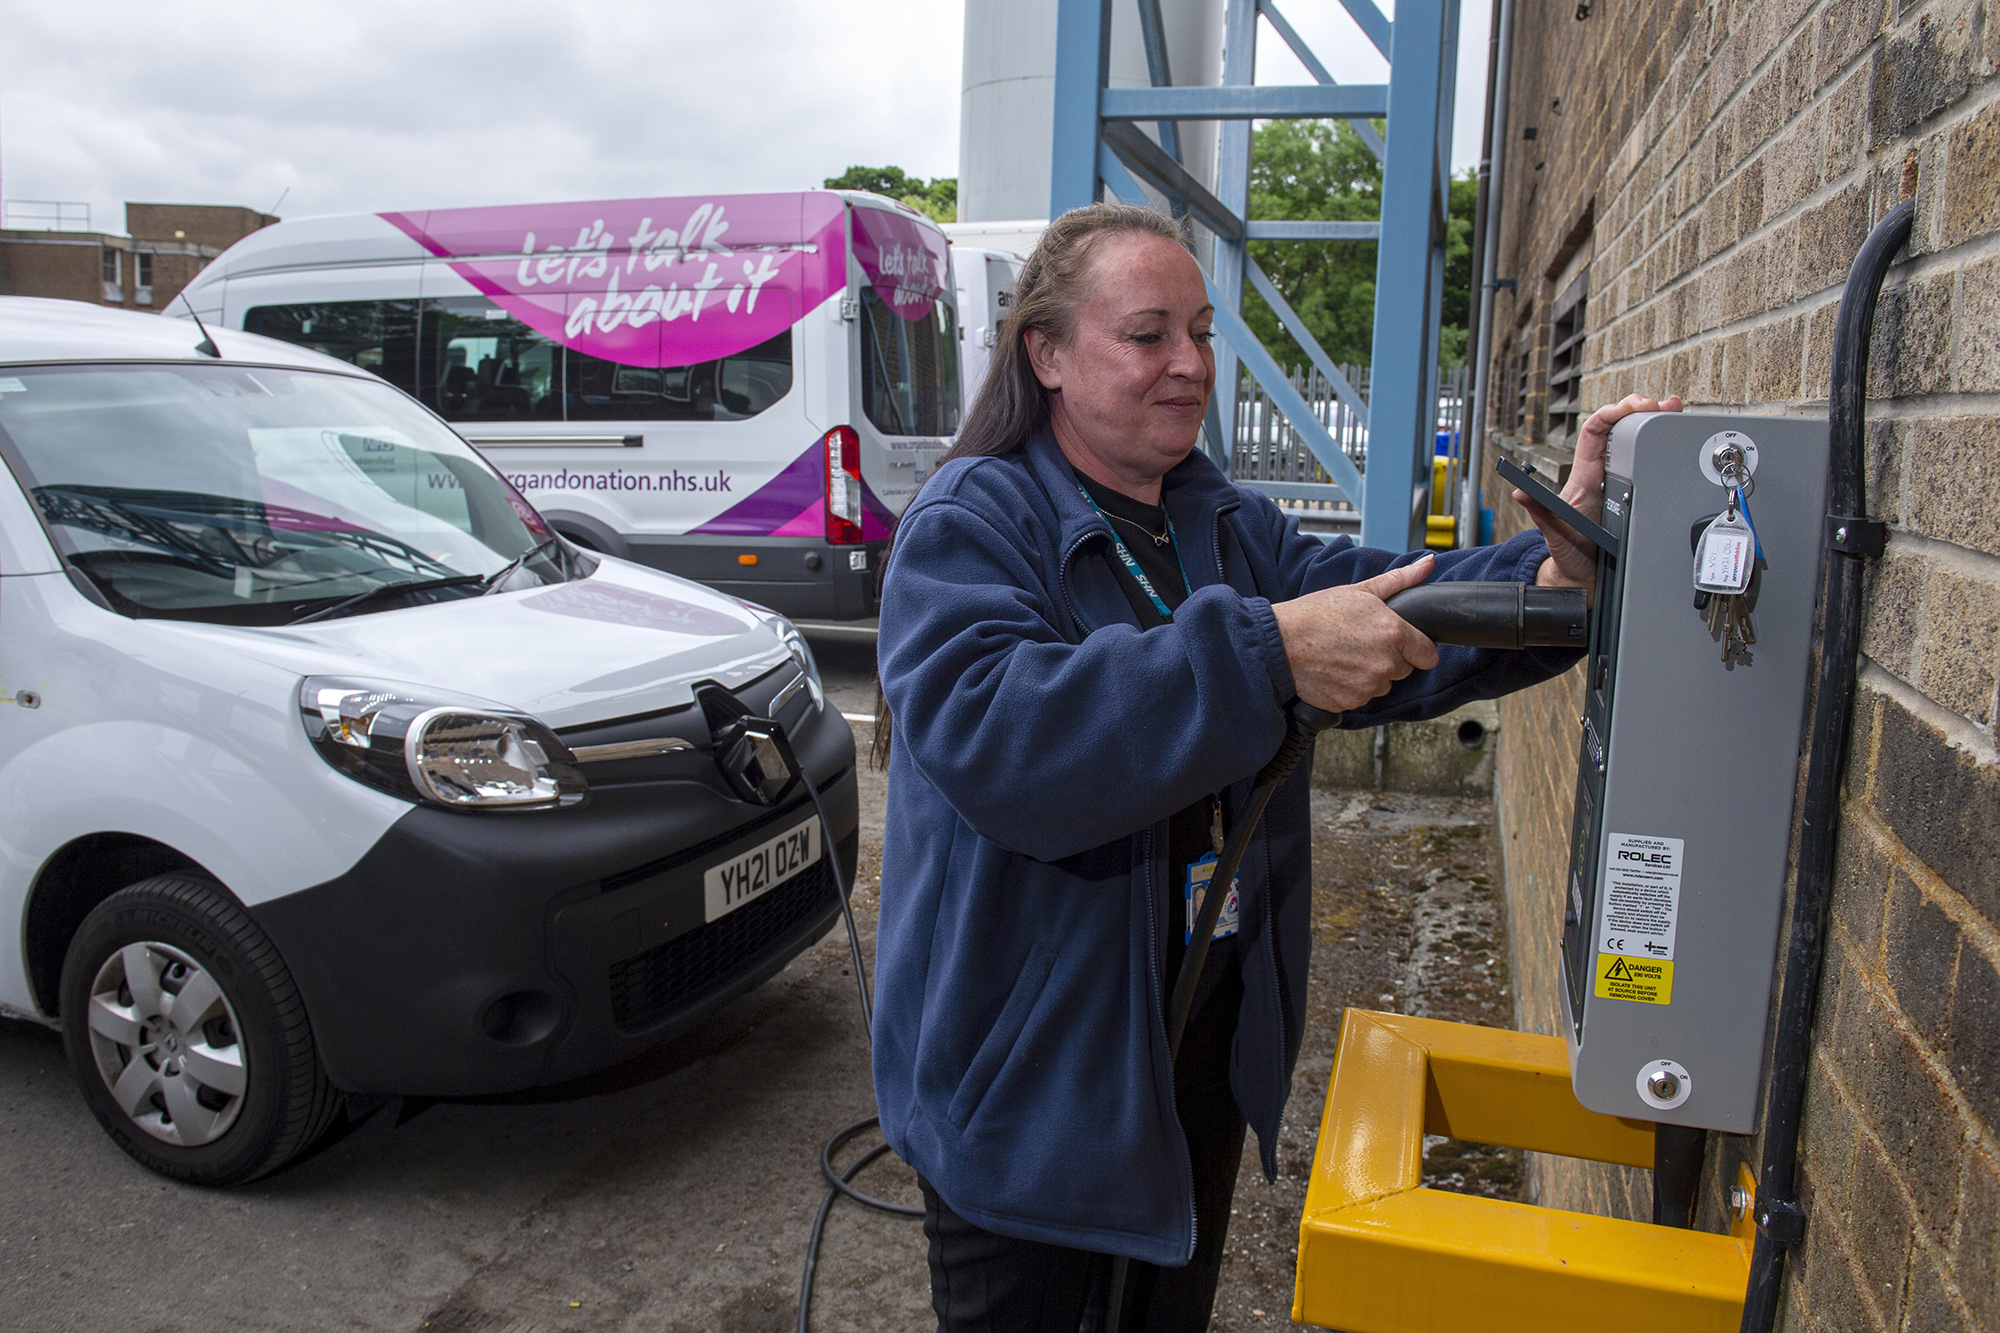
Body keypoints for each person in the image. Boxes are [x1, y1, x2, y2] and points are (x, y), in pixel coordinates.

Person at [871, 202, 1679, 1333]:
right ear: (1045, 354)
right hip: (1037, 1094)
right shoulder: (973, 520)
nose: (1189, 364)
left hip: (1191, 1058)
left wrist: (1555, 575)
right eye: (1147, 333)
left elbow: (1391, 613)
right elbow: (1004, 741)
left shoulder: (1224, 523)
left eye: (1200, 332)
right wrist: (1265, 653)